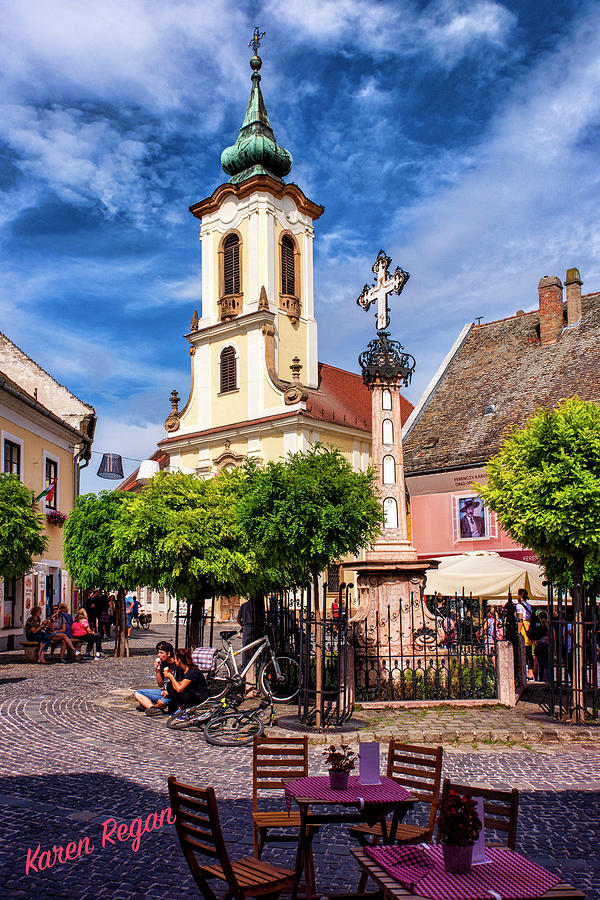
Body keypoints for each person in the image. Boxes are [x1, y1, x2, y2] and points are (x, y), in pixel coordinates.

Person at [134, 642, 179, 716]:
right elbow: (160, 684)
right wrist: (157, 672)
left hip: (173, 694)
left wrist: (169, 693)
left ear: (168, 654)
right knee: (138, 693)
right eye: (158, 653)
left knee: (162, 702)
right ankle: (152, 708)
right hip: (163, 692)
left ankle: (150, 706)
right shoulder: (163, 664)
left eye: (161, 653)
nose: (159, 655)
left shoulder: (177, 665)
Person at [161, 648, 209, 715]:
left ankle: (185, 710)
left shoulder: (192, 672)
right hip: (188, 694)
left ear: (179, 660)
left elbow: (179, 689)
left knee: (179, 691)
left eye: (175, 659)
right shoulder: (181, 670)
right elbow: (180, 683)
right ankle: (178, 707)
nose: (174, 661)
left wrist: (171, 677)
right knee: (170, 686)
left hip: (197, 696)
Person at [237, 599, 254, 666]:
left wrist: (243, 626)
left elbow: (238, 619)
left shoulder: (243, 605)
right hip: (254, 627)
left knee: (245, 647)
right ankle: (253, 662)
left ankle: (244, 664)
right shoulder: (255, 606)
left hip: (246, 628)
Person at [533, 611, 550, 681]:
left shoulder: (539, 628)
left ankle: (541, 680)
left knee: (540, 666)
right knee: (547, 666)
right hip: (547, 647)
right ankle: (548, 680)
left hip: (539, 648)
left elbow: (535, 638)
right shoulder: (549, 627)